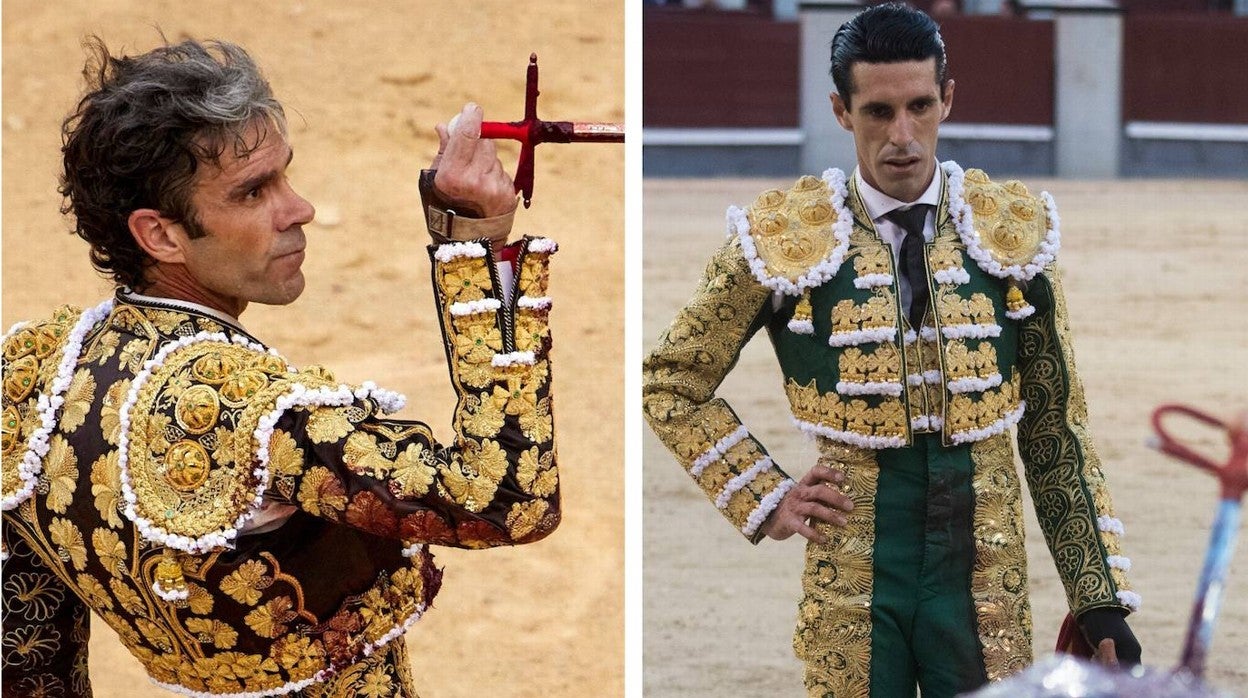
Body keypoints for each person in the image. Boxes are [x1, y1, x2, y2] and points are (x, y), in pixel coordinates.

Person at [1, 38, 560, 697]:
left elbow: (30, 650)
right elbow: (508, 500)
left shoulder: (34, 378)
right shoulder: (258, 416)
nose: (299, 210)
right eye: (253, 192)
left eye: (284, 176)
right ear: (161, 235)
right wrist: (475, 246)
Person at [642, 4, 1140, 696]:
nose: (902, 136)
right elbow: (670, 381)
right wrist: (769, 496)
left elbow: (1054, 428)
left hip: (982, 561)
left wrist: (1099, 598)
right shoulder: (780, 238)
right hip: (854, 563)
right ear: (841, 111)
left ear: (947, 100)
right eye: (878, 112)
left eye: (919, 106)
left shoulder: (1013, 234)